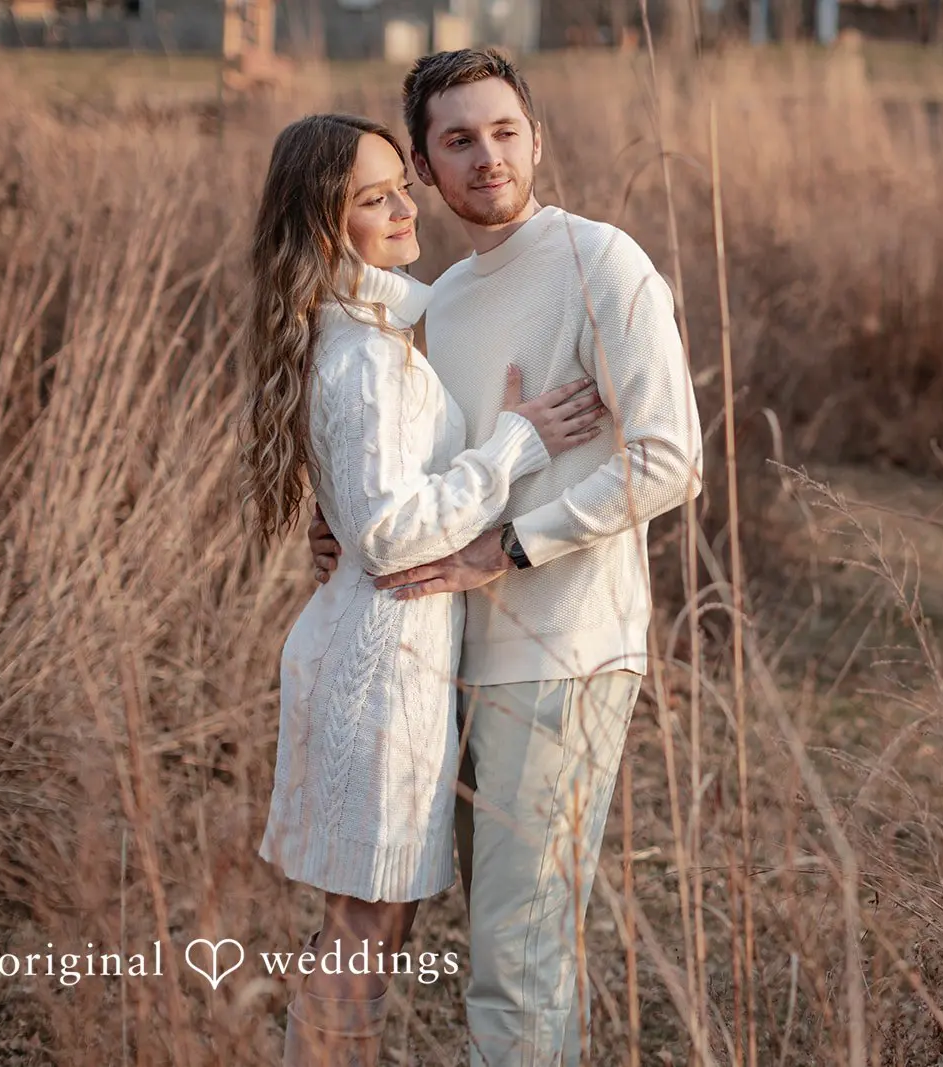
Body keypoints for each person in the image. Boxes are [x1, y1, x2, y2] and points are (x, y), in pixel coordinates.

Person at [307, 49, 704, 1066]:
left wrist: (512, 546)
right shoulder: (433, 303)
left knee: (518, 960)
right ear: (427, 170)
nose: (487, 157)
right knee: (477, 945)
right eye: (457, 140)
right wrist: (347, 521)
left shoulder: (598, 261)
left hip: (561, 653)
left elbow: (668, 458)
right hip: (439, 657)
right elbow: (416, 469)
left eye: (504, 131)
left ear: (536, 138)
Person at [237, 112, 608, 1066]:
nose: (407, 205)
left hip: (388, 659)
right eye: (374, 197)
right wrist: (519, 439)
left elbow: (368, 513)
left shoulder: (380, 326)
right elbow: (392, 533)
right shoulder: (367, 356)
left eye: (403, 182)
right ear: (328, 226)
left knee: (370, 926)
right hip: (381, 672)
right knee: (365, 930)